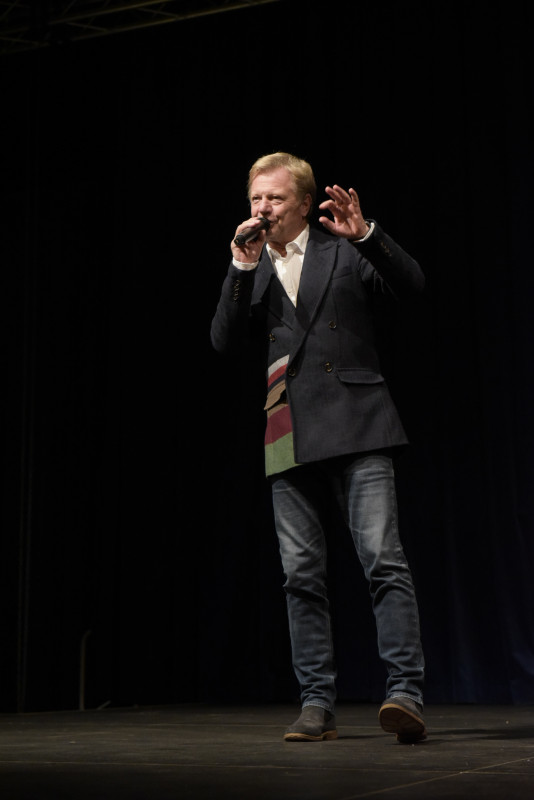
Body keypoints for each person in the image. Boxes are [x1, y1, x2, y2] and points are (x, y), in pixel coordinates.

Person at [210, 152, 426, 744]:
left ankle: (405, 693)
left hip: (359, 421)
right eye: (256, 199)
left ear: (304, 204)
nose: (263, 209)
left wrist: (369, 236)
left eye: (275, 199)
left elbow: (412, 286)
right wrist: (239, 265)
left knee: (383, 560)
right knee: (300, 574)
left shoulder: (344, 251)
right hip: (289, 428)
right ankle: (316, 704)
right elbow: (223, 341)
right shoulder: (251, 265)